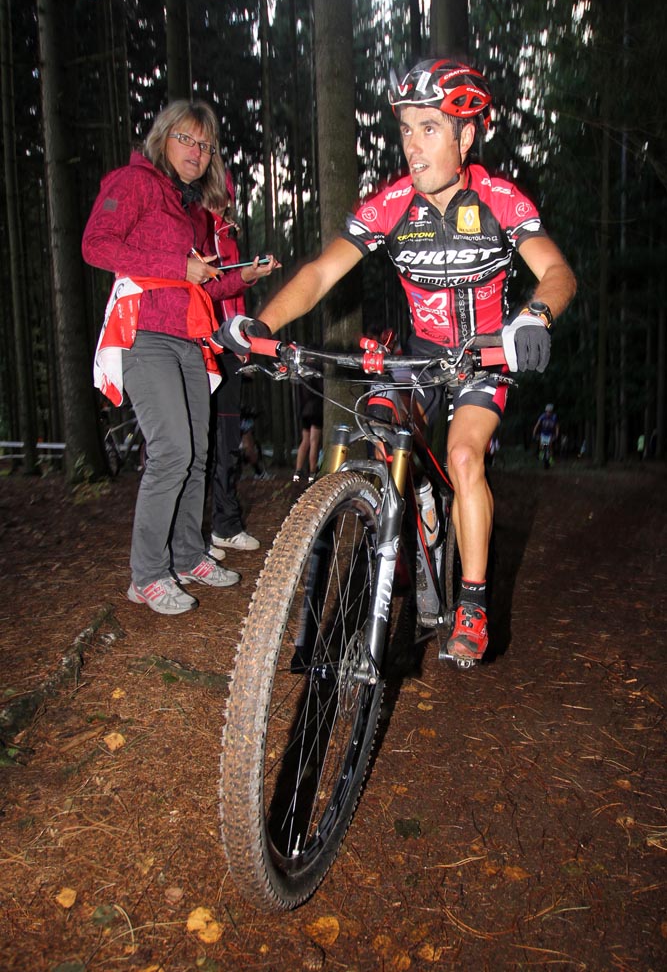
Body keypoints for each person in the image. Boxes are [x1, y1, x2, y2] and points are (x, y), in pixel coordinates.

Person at [215, 59, 576, 660]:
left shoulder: (498, 199)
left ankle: (473, 604)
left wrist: (535, 316)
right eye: (406, 129)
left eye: (428, 128)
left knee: (464, 456)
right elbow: (320, 272)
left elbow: (557, 270)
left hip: (483, 358)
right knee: (379, 423)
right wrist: (262, 324)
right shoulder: (393, 205)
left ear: (466, 135)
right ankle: (412, 517)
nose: (412, 145)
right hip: (421, 357)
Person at [83, 99, 279, 615]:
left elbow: (200, 288)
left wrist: (243, 277)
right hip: (143, 333)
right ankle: (147, 574)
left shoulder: (188, 207)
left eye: (206, 145)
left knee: (196, 452)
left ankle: (189, 555)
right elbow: (96, 245)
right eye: (187, 139)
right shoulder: (134, 182)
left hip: (189, 337)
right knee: (171, 450)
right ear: (163, 137)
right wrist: (177, 264)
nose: (197, 152)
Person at [207, 169, 276, 561]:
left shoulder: (227, 236)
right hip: (201, 345)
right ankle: (189, 538)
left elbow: (231, 292)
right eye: (218, 195)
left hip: (229, 350)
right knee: (197, 444)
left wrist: (243, 344)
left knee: (229, 441)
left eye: (227, 196)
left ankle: (225, 525)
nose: (224, 203)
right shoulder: (196, 229)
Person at [292, 376, 324, 484]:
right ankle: (312, 472)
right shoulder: (317, 376)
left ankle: (298, 471)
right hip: (316, 411)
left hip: (305, 411)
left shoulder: (303, 377)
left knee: (305, 441)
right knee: (314, 442)